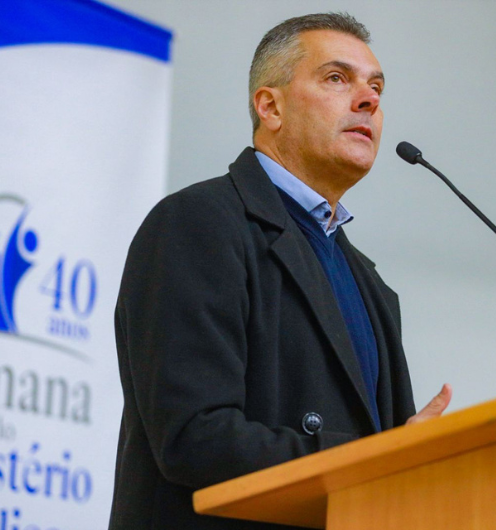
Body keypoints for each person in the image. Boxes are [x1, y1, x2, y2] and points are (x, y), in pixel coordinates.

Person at [109, 12, 452, 530]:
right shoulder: (198, 223)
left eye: (377, 87)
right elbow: (194, 436)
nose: (369, 100)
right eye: (337, 78)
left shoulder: (371, 285)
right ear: (270, 107)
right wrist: (374, 459)